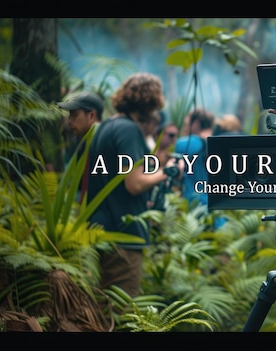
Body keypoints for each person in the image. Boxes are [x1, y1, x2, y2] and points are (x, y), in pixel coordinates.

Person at [86, 72, 181, 297]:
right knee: (122, 310)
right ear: (150, 104)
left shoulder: (107, 126)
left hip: (102, 230)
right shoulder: (129, 130)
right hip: (123, 234)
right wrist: (170, 172)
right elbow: (135, 183)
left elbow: (121, 173)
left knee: (103, 306)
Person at [57, 91, 104, 203]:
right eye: (69, 115)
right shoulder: (83, 142)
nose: (69, 121)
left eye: (75, 115)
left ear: (92, 115)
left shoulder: (103, 142)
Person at [175, 107, 216, 207]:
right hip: (218, 206)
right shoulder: (221, 143)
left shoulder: (187, 143)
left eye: (186, 124)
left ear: (196, 123)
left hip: (195, 204)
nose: (185, 128)